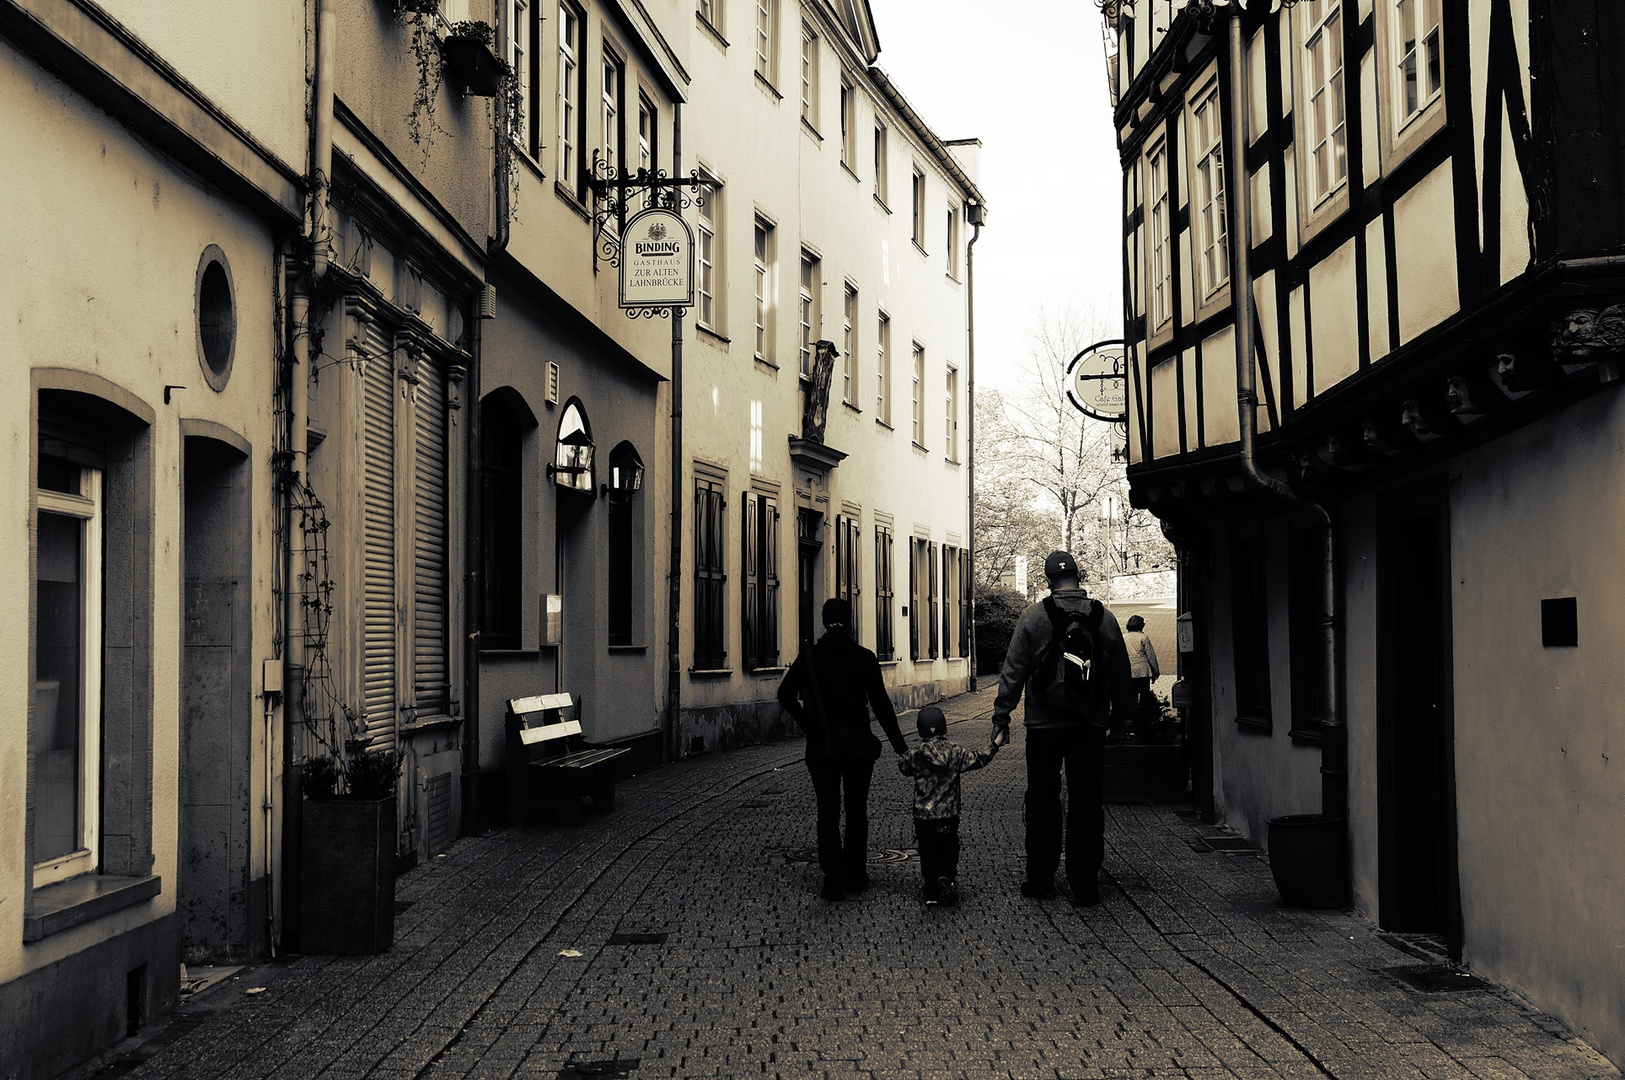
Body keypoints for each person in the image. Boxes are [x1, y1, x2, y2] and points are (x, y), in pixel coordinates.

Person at [990, 550, 1133, 906]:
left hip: (1043, 725)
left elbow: (1013, 671)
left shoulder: (1034, 617)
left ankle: (1040, 879)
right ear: (1079, 577)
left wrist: (1001, 718)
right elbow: (1121, 675)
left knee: (1042, 798)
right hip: (1090, 724)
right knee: (1086, 800)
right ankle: (1085, 886)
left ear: (1049, 579)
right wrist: (1119, 720)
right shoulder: (1104, 618)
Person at [778, 598, 908, 901]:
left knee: (827, 811)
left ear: (824, 621)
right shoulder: (863, 657)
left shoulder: (810, 657)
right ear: (850, 620)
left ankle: (832, 880)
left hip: (821, 746)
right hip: (858, 744)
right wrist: (901, 746)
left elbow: (784, 694)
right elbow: (881, 704)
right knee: (856, 810)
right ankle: (856, 875)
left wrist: (809, 725)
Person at [897, 705, 999, 906]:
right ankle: (945, 876)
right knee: (950, 847)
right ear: (944, 728)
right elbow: (979, 759)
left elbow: (903, 766)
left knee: (926, 850)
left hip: (923, 818)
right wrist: (995, 744)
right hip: (948, 815)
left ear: (920, 730)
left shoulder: (916, 754)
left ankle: (931, 893)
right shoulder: (955, 752)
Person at [1123, 614, 1161, 741]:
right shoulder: (1143, 637)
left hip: (1129, 672)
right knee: (1144, 695)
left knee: (1131, 696)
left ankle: (1132, 717)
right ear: (1141, 625)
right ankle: (1145, 717)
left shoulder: (1124, 637)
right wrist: (1155, 671)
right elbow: (1151, 655)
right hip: (1143, 672)